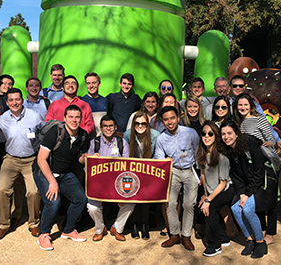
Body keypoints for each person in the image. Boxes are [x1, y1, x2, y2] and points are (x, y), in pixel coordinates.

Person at [34, 105, 89, 251]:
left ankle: (68, 229)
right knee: (53, 202)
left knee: (81, 198)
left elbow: (79, 159)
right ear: (64, 118)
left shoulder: (83, 135)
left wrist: (87, 158)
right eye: (70, 117)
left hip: (64, 173)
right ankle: (44, 233)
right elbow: (41, 160)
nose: (74, 120)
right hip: (44, 172)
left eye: (77, 117)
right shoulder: (55, 133)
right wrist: (52, 182)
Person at [0, 88, 45, 240]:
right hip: (11, 159)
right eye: (11, 100)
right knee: (2, 190)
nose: (14, 103)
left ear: (22, 100)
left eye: (17, 99)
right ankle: (3, 224)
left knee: (33, 192)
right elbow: (1, 139)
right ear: (7, 102)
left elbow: (43, 132)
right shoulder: (3, 119)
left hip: (31, 159)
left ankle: (34, 223)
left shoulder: (34, 116)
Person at [234, 93, 279, 245]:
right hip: (249, 165)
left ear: (251, 105)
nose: (243, 107)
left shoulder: (259, 118)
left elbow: (270, 138)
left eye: (245, 104)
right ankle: (262, 230)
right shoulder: (238, 121)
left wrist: (267, 144)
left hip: (265, 163)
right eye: (240, 105)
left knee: (270, 199)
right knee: (258, 198)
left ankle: (270, 233)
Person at [219, 120, 268, 259]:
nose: (226, 137)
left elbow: (259, 171)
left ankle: (260, 242)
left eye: (229, 133)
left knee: (247, 209)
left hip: (260, 184)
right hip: (245, 187)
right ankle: (250, 240)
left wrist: (247, 194)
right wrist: (241, 193)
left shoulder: (249, 145)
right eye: (223, 134)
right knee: (235, 209)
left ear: (236, 134)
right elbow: (235, 176)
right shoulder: (227, 150)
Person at [154, 106, 200, 251]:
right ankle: (174, 234)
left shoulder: (190, 133)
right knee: (170, 203)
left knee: (188, 204)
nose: (170, 122)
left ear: (178, 118)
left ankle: (186, 236)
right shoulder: (161, 138)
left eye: (172, 118)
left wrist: (200, 174)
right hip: (173, 171)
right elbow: (158, 157)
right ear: (162, 121)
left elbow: (198, 152)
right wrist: (164, 160)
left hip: (190, 170)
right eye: (166, 119)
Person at [83, 115, 134, 242]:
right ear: (100, 128)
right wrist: (92, 160)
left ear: (115, 127)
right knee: (92, 207)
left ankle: (117, 228)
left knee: (130, 203)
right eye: (105, 126)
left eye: (111, 126)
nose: (108, 128)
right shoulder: (94, 143)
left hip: (118, 184)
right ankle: (100, 229)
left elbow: (128, 168)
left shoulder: (122, 143)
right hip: (99, 185)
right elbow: (87, 168)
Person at [197, 121, 234, 257]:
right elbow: (203, 175)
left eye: (210, 134)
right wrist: (205, 195)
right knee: (204, 207)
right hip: (211, 191)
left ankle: (215, 245)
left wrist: (209, 200)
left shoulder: (222, 158)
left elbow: (223, 184)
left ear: (216, 136)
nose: (206, 136)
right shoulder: (201, 154)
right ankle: (223, 238)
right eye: (204, 133)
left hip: (225, 190)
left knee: (209, 208)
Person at [123, 111, 160, 239]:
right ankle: (133, 224)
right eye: (137, 123)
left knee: (145, 196)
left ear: (147, 124)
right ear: (133, 125)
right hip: (132, 170)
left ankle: (144, 224)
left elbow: (157, 155)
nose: (140, 126)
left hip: (148, 171)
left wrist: (148, 167)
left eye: (143, 123)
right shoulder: (128, 135)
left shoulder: (155, 135)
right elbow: (125, 154)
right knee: (132, 194)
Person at [81, 72, 108, 136]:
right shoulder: (82, 102)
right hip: (87, 139)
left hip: (102, 139)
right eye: (88, 83)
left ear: (99, 84)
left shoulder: (105, 101)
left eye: (94, 83)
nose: (91, 86)